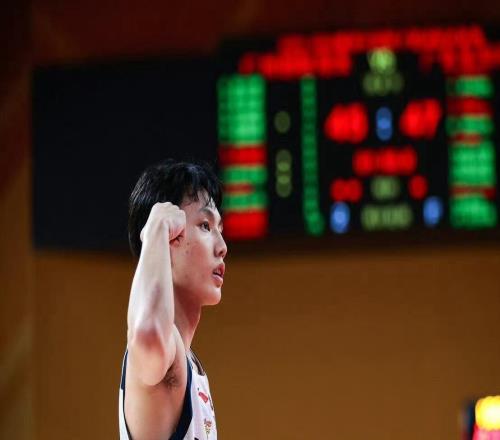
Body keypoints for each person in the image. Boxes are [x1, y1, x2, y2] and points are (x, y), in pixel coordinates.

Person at [119, 159, 227, 440]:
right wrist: (155, 229)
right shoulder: (165, 350)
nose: (222, 247)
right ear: (168, 236)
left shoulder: (190, 364)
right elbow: (147, 332)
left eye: (220, 229)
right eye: (205, 225)